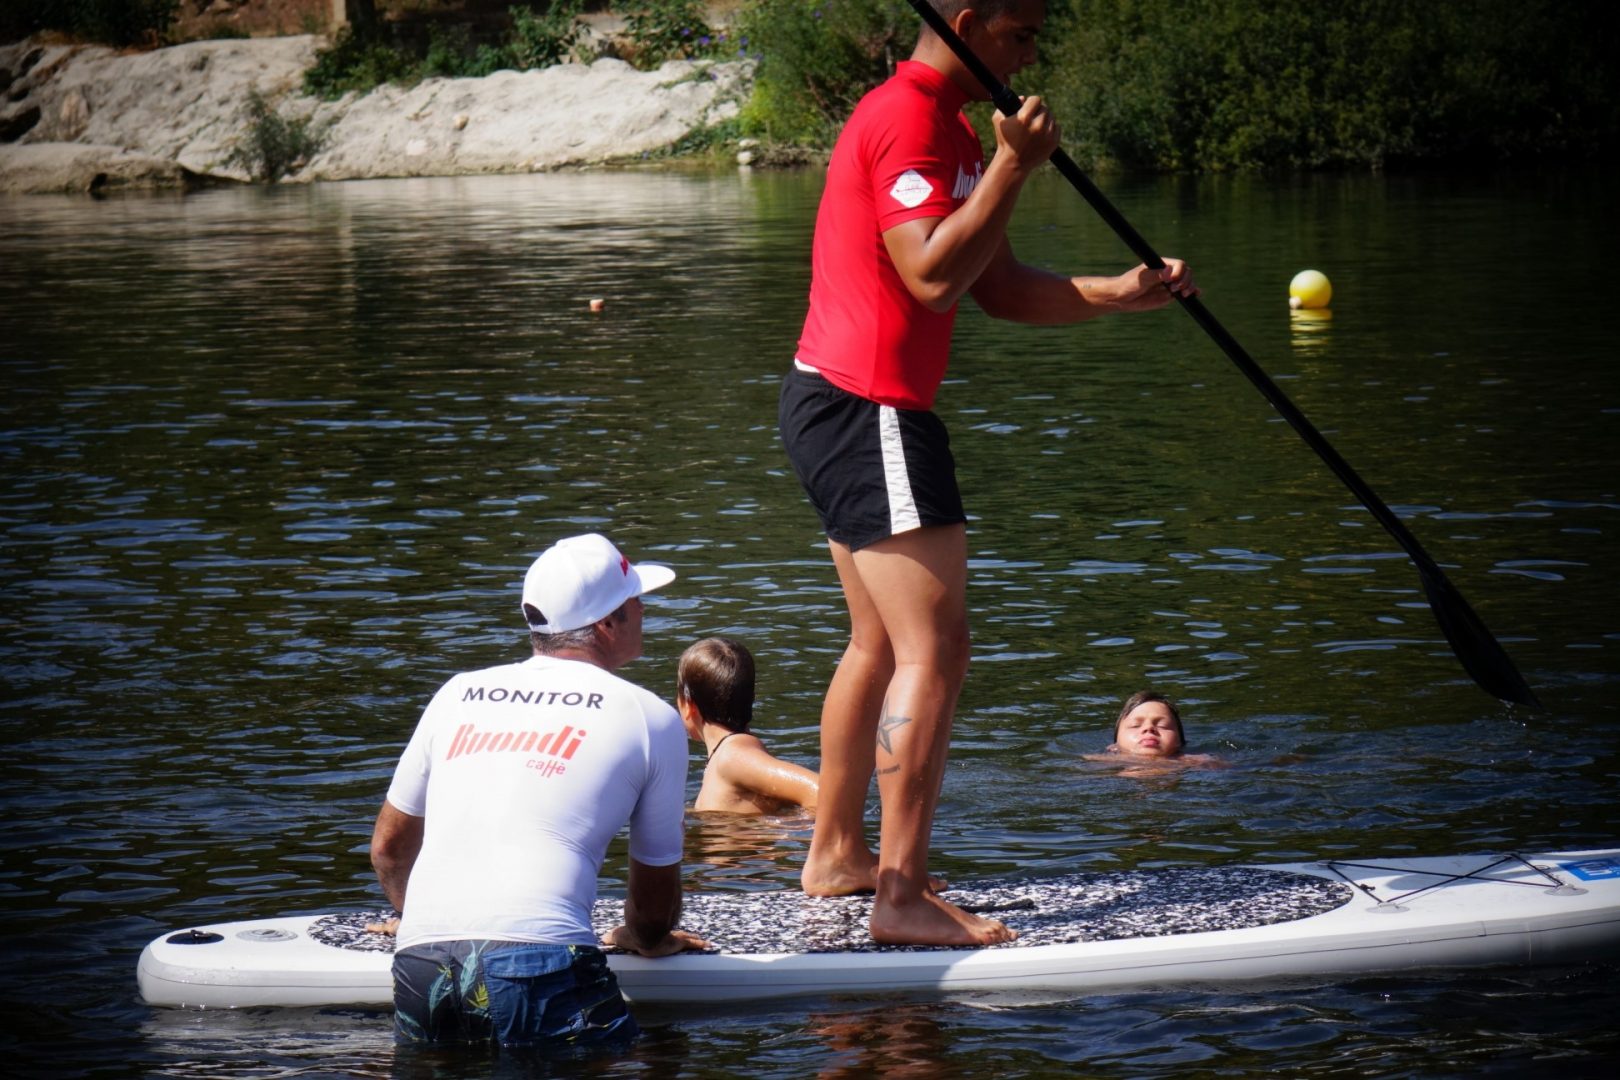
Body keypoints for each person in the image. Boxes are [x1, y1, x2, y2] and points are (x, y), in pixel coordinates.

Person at [777, 0, 1199, 947]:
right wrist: (1014, 164)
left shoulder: (953, 127)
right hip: (869, 407)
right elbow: (929, 276)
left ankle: (838, 854)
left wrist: (1118, 295)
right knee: (939, 649)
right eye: (1020, 33)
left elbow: (993, 286)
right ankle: (900, 895)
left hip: (839, 401)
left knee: (878, 646)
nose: (1030, 54)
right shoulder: (907, 121)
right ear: (967, 21)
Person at [368, 532, 707, 1050]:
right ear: (606, 624)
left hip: (421, 964)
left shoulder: (457, 692)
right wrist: (644, 937)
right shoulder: (649, 717)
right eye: (635, 599)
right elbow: (655, 898)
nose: (643, 609)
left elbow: (389, 849)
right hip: (543, 964)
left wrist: (419, 918)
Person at [678, 636, 820, 814]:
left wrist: (782, 828)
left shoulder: (733, 757)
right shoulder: (727, 757)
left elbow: (823, 794)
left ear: (688, 705)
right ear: (752, 699)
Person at [1088, 690, 1223, 770]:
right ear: (1113, 746)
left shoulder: (1198, 762)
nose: (1149, 728)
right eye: (1136, 725)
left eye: (1163, 725)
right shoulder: (1096, 762)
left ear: (1180, 742)